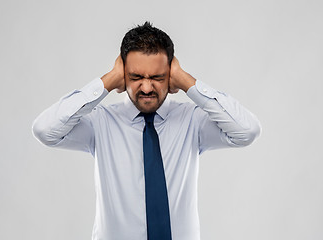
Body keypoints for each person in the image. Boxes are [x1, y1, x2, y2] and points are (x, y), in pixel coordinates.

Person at [32, 21, 261, 240]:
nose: (147, 87)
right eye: (136, 77)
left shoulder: (192, 121)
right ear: (124, 74)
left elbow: (246, 131)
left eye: (157, 77)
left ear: (169, 75)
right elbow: (45, 130)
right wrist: (108, 81)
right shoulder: (100, 123)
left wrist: (186, 81)